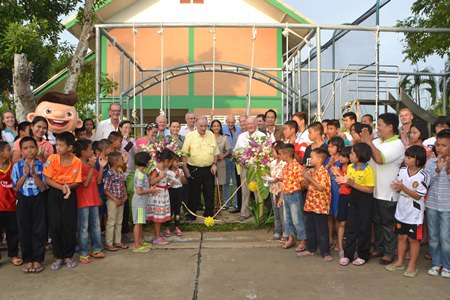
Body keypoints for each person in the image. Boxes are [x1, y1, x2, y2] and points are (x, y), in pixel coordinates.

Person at [360, 112, 405, 265]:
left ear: (390, 127)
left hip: (388, 192)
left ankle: (389, 252)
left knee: (387, 224)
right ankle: (380, 248)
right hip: (374, 190)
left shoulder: (397, 145)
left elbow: (379, 159)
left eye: (380, 125)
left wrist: (369, 142)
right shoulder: (377, 141)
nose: (377, 128)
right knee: (377, 222)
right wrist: (366, 141)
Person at [386, 145, 429, 277]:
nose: (406, 159)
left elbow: (417, 196)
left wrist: (402, 187)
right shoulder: (403, 170)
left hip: (414, 214)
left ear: (418, 160)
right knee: (401, 237)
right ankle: (399, 261)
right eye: (406, 156)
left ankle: (412, 266)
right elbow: (398, 186)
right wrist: (396, 187)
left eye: (410, 157)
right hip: (401, 211)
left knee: (413, 240)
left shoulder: (423, 175)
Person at [43, 132, 82, 271]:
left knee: (69, 225)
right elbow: (48, 179)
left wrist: (68, 188)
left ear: (70, 147)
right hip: (55, 193)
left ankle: (68, 256)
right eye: (56, 144)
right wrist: (62, 187)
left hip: (70, 195)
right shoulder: (52, 159)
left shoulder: (77, 161)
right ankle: (58, 256)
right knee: (55, 225)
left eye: (60, 145)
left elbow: (78, 181)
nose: (57, 147)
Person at [336, 143, 375, 266]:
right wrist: (343, 180)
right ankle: (348, 254)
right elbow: (348, 183)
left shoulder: (369, 170)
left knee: (364, 228)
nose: (350, 155)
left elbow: (369, 189)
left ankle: (363, 255)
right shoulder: (351, 167)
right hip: (352, 199)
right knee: (351, 227)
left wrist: (352, 184)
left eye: (352, 153)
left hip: (365, 201)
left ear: (359, 156)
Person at [13, 136, 47, 273]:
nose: (29, 151)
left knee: (39, 229)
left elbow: (44, 187)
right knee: (24, 229)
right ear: (21, 151)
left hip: (38, 199)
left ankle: (38, 259)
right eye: (26, 148)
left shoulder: (41, 165)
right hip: (23, 199)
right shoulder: (17, 166)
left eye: (32, 147)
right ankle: (28, 259)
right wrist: (25, 174)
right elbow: (15, 187)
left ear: (37, 149)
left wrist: (33, 174)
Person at [74, 139, 107, 264]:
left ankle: (96, 249)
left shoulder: (90, 165)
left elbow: (98, 181)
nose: (92, 151)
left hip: (93, 200)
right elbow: (86, 183)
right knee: (83, 228)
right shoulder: (79, 165)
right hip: (83, 201)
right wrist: (93, 168)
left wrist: (101, 167)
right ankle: (83, 253)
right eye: (89, 149)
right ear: (83, 152)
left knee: (96, 226)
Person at [298, 148, 333, 262]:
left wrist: (308, 178)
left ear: (319, 160)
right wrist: (305, 179)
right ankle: (310, 248)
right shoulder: (312, 171)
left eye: (312, 157)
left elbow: (320, 187)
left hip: (320, 206)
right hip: (311, 203)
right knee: (310, 227)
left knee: (322, 229)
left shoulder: (323, 172)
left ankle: (325, 251)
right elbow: (308, 187)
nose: (310, 159)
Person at [182, 117, 219, 221]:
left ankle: (209, 214)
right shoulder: (190, 136)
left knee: (209, 192)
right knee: (193, 193)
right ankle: (191, 215)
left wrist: (214, 164)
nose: (203, 128)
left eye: (205, 126)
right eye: (201, 126)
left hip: (209, 168)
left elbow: (215, 152)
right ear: (196, 126)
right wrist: (185, 168)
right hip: (194, 168)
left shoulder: (211, 135)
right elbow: (184, 153)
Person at [424, 129, 450, 278]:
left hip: (447, 207)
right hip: (432, 205)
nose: (440, 148)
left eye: (444, 145)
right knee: (433, 236)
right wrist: (437, 170)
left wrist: (448, 170)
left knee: (446, 238)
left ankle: (447, 265)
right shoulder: (431, 162)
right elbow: (426, 183)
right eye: (438, 145)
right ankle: (436, 263)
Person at [234, 116, 266, 221]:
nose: (250, 126)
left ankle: (260, 214)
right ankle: (244, 213)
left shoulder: (262, 136)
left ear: (256, 124)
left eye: (252, 123)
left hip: (257, 168)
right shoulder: (242, 136)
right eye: (248, 124)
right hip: (244, 167)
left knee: (258, 191)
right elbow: (236, 152)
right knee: (245, 191)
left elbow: (265, 152)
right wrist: (239, 160)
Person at [277, 143, 306, 251]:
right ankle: (291, 238)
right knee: (288, 219)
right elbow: (285, 181)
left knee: (297, 219)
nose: (279, 156)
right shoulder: (286, 167)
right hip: (286, 195)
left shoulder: (297, 167)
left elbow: (302, 182)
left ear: (286, 155)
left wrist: (296, 190)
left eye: (280, 154)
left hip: (294, 195)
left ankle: (303, 240)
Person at [0, 141, 22, 268]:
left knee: (13, 232)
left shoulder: (14, 167)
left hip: (12, 206)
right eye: (9, 149)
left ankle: (13, 255)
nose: (12, 151)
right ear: (1, 153)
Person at [132, 152, 157, 253]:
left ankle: (139, 241)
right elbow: (139, 191)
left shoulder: (142, 173)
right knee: (138, 223)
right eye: (148, 161)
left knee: (141, 222)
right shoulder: (140, 175)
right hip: (139, 202)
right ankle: (137, 245)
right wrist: (151, 190)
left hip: (142, 202)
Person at [103, 151, 128, 251]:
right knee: (111, 222)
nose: (123, 161)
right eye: (121, 159)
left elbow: (123, 186)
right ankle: (109, 243)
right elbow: (106, 189)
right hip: (113, 201)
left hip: (121, 200)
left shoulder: (120, 173)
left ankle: (118, 241)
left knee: (119, 221)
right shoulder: (109, 174)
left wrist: (125, 196)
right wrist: (115, 199)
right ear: (115, 161)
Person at [148, 149, 174, 245]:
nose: (171, 164)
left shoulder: (165, 170)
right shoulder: (156, 169)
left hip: (163, 194)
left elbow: (165, 182)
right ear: (166, 160)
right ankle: (156, 237)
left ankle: (158, 235)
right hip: (157, 195)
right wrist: (160, 176)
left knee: (160, 217)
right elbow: (152, 181)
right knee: (157, 218)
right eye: (171, 162)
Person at [331, 145, 352, 258]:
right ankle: (340, 245)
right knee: (341, 221)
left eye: (344, 156)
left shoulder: (351, 167)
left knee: (349, 222)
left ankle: (348, 245)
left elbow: (348, 183)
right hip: (342, 195)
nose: (341, 158)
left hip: (350, 196)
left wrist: (338, 174)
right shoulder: (339, 166)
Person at [326, 136, 345, 250]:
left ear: (339, 148)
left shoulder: (342, 161)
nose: (329, 149)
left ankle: (339, 241)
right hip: (328, 191)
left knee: (338, 217)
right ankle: (329, 239)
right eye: (328, 146)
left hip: (338, 191)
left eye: (332, 147)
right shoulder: (327, 160)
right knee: (329, 217)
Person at [119, 120, 137, 243]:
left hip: (130, 172)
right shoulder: (117, 140)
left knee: (128, 201)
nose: (127, 130)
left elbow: (136, 153)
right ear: (120, 128)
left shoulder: (132, 140)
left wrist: (131, 144)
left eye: (129, 128)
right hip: (120, 172)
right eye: (125, 128)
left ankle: (126, 229)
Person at [222, 114, 242, 211]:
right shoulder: (222, 129)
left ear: (235, 122)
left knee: (235, 182)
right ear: (226, 122)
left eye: (232, 122)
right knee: (225, 182)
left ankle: (235, 203)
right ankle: (225, 203)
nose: (231, 124)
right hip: (226, 158)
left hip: (236, 159)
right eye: (229, 122)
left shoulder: (239, 129)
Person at [268, 141, 286, 242]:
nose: (272, 153)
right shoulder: (272, 163)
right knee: (276, 213)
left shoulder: (284, 163)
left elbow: (286, 178)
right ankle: (277, 232)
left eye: (273, 151)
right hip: (273, 190)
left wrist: (278, 179)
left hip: (281, 190)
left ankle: (285, 233)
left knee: (283, 213)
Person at [165, 155, 187, 237]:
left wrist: (181, 177)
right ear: (171, 162)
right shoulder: (167, 172)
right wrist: (175, 177)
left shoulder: (180, 170)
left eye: (178, 161)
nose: (178, 164)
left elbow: (184, 182)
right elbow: (168, 184)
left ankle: (177, 226)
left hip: (179, 190)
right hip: (171, 191)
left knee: (177, 208)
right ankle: (167, 226)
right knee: (170, 209)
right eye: (176, 161)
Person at [210, 120, 231, 207]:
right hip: (210, 163)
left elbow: (228, 150)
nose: (216, 128)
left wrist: (222, 157)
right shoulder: (209, 137)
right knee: (210, 186)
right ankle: (211, 205)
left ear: (220, 127)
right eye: (214, 126)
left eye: (218, 126)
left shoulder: (224, 138)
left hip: (221, 163)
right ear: (211, 128)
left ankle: (218, 205)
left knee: (220, 186)